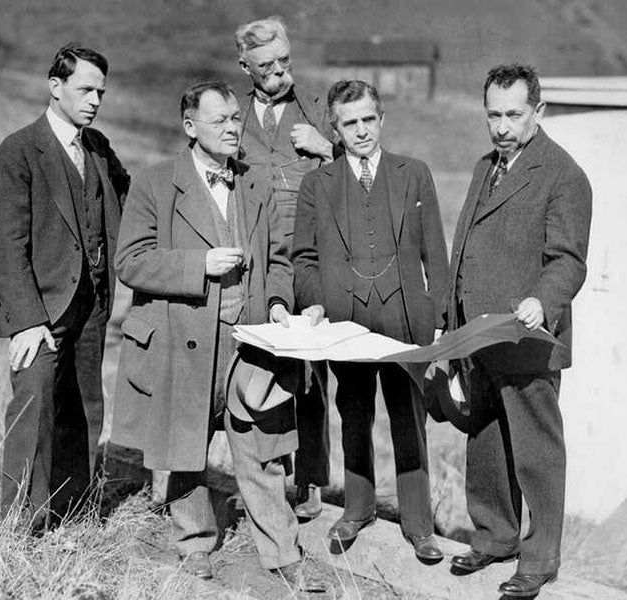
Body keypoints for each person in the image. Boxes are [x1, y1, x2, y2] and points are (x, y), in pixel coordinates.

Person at [111, 81, 326, 592]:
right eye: (220, 120)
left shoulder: (256, 185)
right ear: (190, 127)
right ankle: (194, 544)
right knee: (187, 446)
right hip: (182, 337)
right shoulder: (155, 183)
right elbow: (130, 262)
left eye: (235, 117)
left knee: (262, 446)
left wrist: (276, 303)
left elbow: (278, 260)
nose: (234, 127)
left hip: (249, 341)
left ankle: (283, 553)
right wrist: (197, 265)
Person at [446, 64, 591, 597]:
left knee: (536, 452)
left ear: (538, 111)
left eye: (513, 114)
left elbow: (569, 262)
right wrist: (452, 320)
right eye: (493, 114)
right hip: (480, 337)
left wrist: (541, 300)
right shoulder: (487, 165)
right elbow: (463, 246)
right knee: (484, 440)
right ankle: (494, 536)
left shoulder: (564, 174)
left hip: (528, 338)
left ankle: (539, 558)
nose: (502, 126)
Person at [292, 80, 450, 562]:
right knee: (354, 414)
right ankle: (358, 509)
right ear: (335, 130)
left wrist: (439, 318)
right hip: (346, 324)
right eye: (349, 123)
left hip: (406, 322)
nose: (361, 130)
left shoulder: (414, 173)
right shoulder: (318, 184)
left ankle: (419, 523)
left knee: (408, 418)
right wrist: (318, 304)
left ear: (382, 119)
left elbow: (435, 255)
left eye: (368, 119)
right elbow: (303, 258)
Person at [0, 43, 130, 529]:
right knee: (34, 406)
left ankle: (71, 515)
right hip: (40, 312)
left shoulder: (99, 148)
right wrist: (26, 321)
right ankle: (18, 526)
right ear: (55, 87)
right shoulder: (20, 149)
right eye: (85, 89)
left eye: (101, 92)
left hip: (90, 305)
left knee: (85, 407)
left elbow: (133, 205)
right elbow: (5, 244)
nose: (94, 100)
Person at [235, 15, 334, 520]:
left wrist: (327, 148)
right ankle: (268, 476)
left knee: (310, 374)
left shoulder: (317, 108)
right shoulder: (231, 117)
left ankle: (312, 480)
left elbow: (365, 159)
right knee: (260, 371)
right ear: (245, 65)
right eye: (267, 66)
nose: (279, 74)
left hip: (306, 260)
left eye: (285, 62)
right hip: (254, 265)